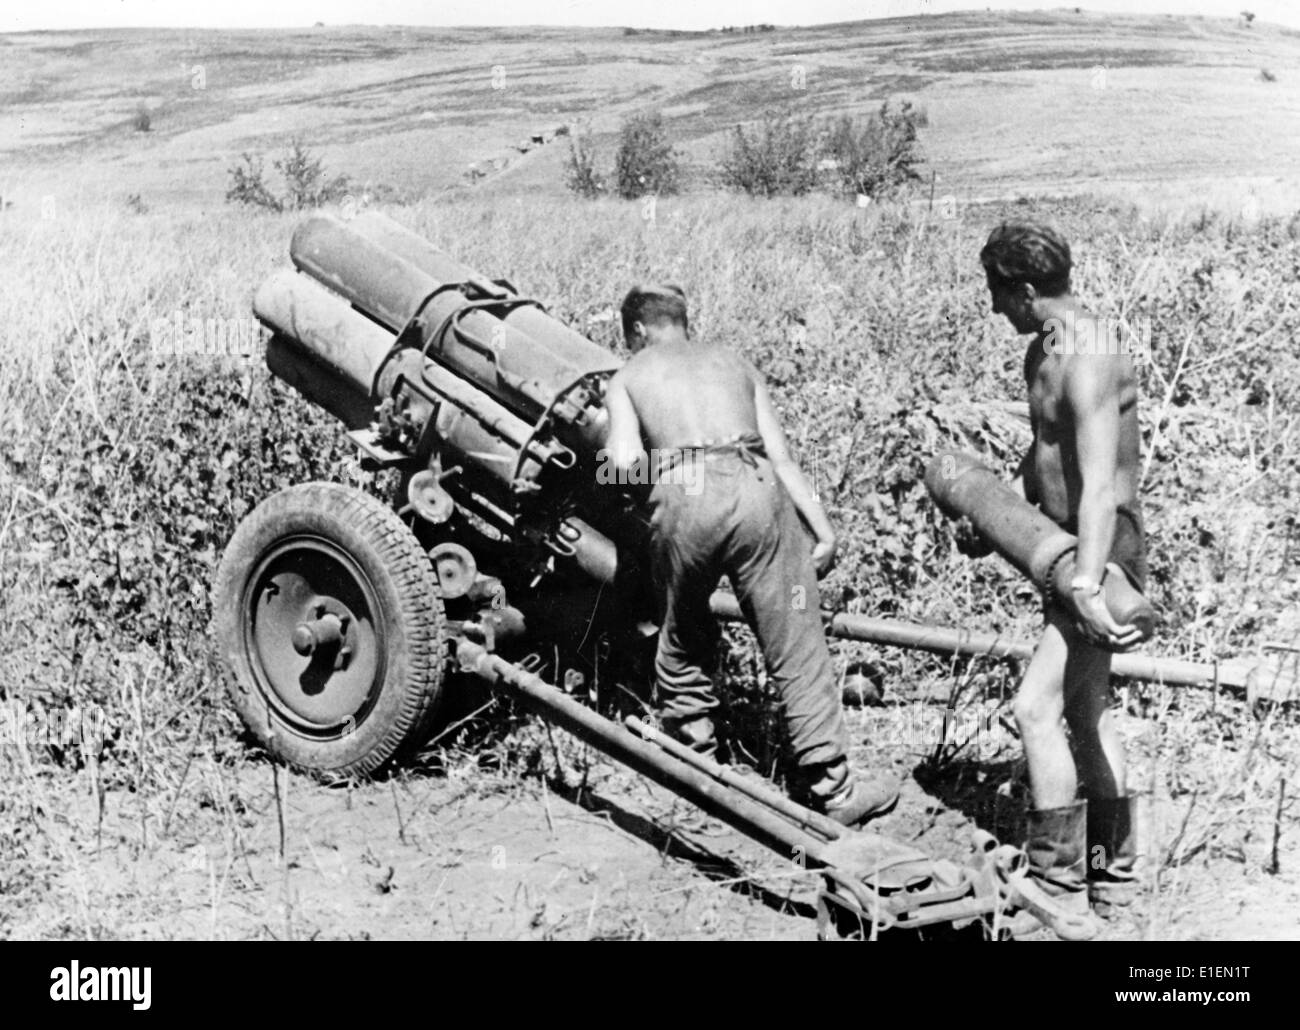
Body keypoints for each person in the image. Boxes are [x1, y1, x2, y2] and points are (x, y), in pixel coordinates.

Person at [602, 284, 898, 826]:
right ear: (683, 321)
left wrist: (651, 479)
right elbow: (781, 458)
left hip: (685, 493)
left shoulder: (628, 376)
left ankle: (697, 762)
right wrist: (822, 529)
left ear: (638, 331)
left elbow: (622, 465)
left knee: (682, 628)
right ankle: (834, 789)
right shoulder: (733, 363)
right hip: (756, 487)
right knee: (795, 635)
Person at [976, 221, 1145, 919]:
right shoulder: (1042, 352)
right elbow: (1046, 452)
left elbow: (1101, 484)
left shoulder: (1092, 354)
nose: (993, 310)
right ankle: (1115, 880)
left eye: (997, 294)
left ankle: (1057, 888)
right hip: (1065, 548)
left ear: (1023, 289)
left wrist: (1085, 583)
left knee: (1034, 707)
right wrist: (999, 517)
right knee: (1086, 709)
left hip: (1099, 557)